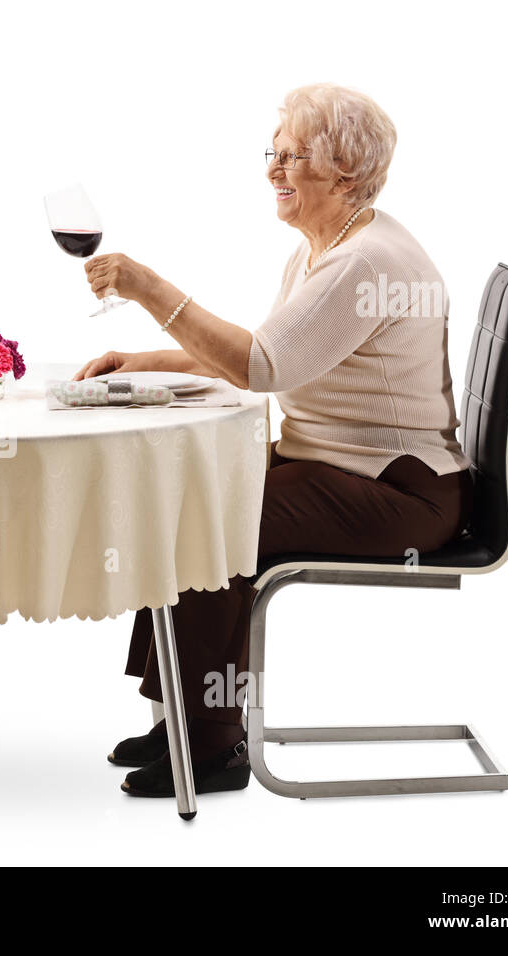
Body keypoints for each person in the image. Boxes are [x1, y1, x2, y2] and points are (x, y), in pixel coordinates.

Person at [73, 83, 473, 798]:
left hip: (400, 494)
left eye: (293, 157)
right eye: (274, 153)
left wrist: (147, 287)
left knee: (212, 519)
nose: (272, 171)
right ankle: (182, 717)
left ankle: (213, 741)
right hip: (345, 472)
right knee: (191, 498)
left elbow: (261, 366)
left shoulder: (364, 263)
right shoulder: (331, 245)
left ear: (346, 174)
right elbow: (267, 348)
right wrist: (147, 360)